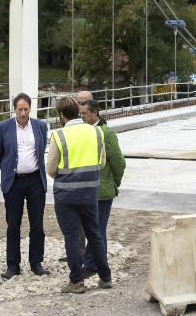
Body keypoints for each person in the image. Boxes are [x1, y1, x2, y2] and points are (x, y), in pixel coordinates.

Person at [47, 96, 112, 293]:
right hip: (90, 193)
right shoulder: (96, 132)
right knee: (95, 233)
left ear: (61, 115)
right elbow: (101, 163)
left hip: (66, 196)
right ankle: (105, 278)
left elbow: (50, 169)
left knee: (72, 237)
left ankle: (76, 281)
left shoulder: (58, 136)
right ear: (77, 111)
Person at [0, 93, 50, 280]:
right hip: (14, 181)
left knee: (37, 224)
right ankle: (13, 265)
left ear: (30, 109)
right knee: (13, 225)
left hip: (35, 180)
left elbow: (41, 151)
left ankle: (36, 262)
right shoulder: (3, 127)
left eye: (26, 109)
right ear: (14, 109)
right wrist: (10, 170)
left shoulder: (41, 126)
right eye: (20, 109)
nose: (23, 113)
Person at [78, 98, 125, 278]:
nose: (82, 117)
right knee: (96, 228)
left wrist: (114, 183)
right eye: (80, 113)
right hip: (90, 189)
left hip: (103, 190)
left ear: (95, 112)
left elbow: (119, 162)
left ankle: (91, 265)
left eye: (85, 113)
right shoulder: (87, 131)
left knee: (96, 228)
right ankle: (98, 262)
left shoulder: (106, 133)